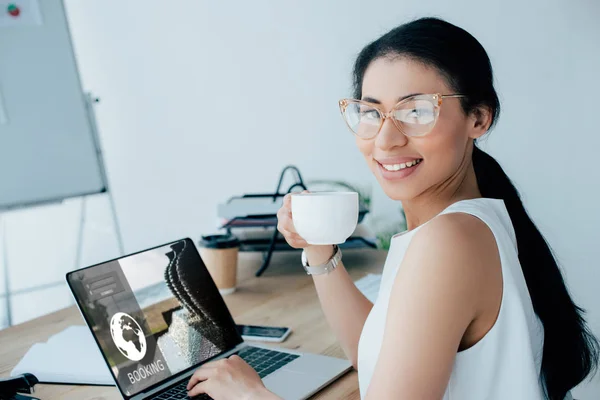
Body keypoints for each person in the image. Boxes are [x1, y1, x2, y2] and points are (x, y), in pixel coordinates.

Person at [186, 17, 599, 400]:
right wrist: (319, 250)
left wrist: (250, 395)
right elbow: (378, 354)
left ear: (478, 118)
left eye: (416, 110)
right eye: (371, 112)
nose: (385, 140)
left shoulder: (449, 241)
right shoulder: (472, 221)